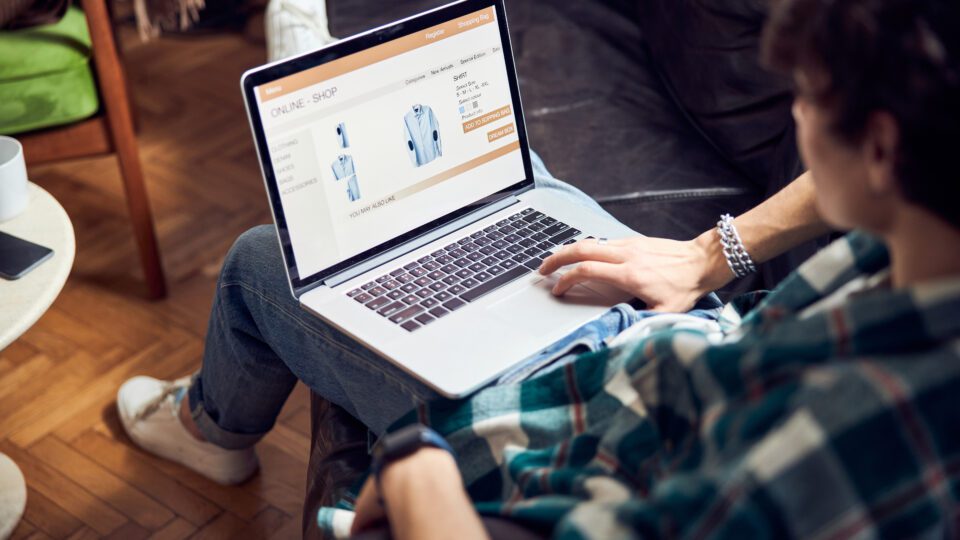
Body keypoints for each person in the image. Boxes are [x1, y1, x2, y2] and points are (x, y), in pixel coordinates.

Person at [119, 0, 960, 536]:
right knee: (508, 184)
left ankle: (211, 429)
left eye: (808, 97)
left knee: (260, 262)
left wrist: (417, 477)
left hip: (565, 427)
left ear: (881, 148)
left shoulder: (848, 434)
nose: (800, 117)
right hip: (676, 339)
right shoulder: (924, 245)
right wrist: (706, 257)